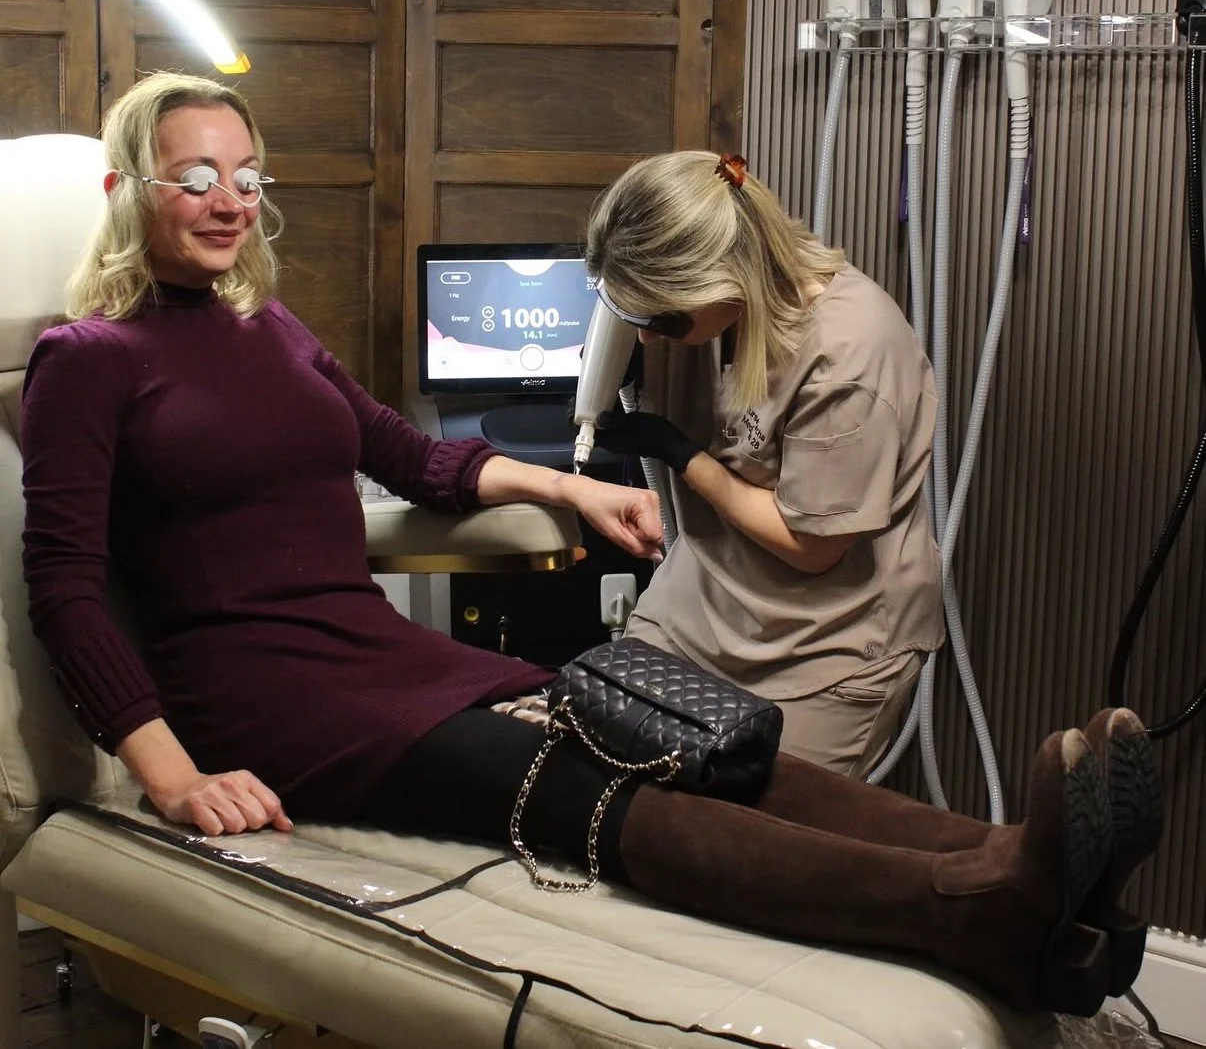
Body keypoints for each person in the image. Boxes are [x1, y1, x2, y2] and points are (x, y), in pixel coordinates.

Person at [21, 73, 1160, 1019]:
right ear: (129, 190)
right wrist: (171, 772)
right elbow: (65, 589)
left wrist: (574, 485)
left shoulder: (265, 325)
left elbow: (408, 455)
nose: (229, 201)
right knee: (583, 787)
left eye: (247, 176)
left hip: (381, 656)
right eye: (196, 178)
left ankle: (1018, 858)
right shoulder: (89, 358)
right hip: (262, 698)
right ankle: (983, 914)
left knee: (681, 738)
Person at [587, 151, 943, 777]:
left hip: (824, 641)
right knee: (605, 767)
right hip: (702, 602)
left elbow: (811, 548)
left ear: (721, 284)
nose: (647, 336)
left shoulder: (845, 357)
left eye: (662, 318)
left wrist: (680, 454)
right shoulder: (720, 310)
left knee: (754, 826)